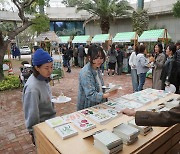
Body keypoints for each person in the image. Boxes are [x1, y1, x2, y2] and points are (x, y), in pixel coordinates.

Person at [22, 49, 56, 144]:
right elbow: (32, 114)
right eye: (46, 68)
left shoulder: (43, 79)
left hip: (51, 122)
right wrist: (34, 133)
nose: (50, 70)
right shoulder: (32, 88)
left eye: (51, 67)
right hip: (41, 128)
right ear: (37, 68)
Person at [77, 45, 118, 110]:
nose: (99, 61)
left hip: (98, 105)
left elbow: (98, 85)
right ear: (90, 58)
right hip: (88, 107)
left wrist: (107, 88)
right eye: (96, 58)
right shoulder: (86, 72)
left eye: (101, 58)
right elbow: (90, 94)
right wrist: (108, 94)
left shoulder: (96, 68)